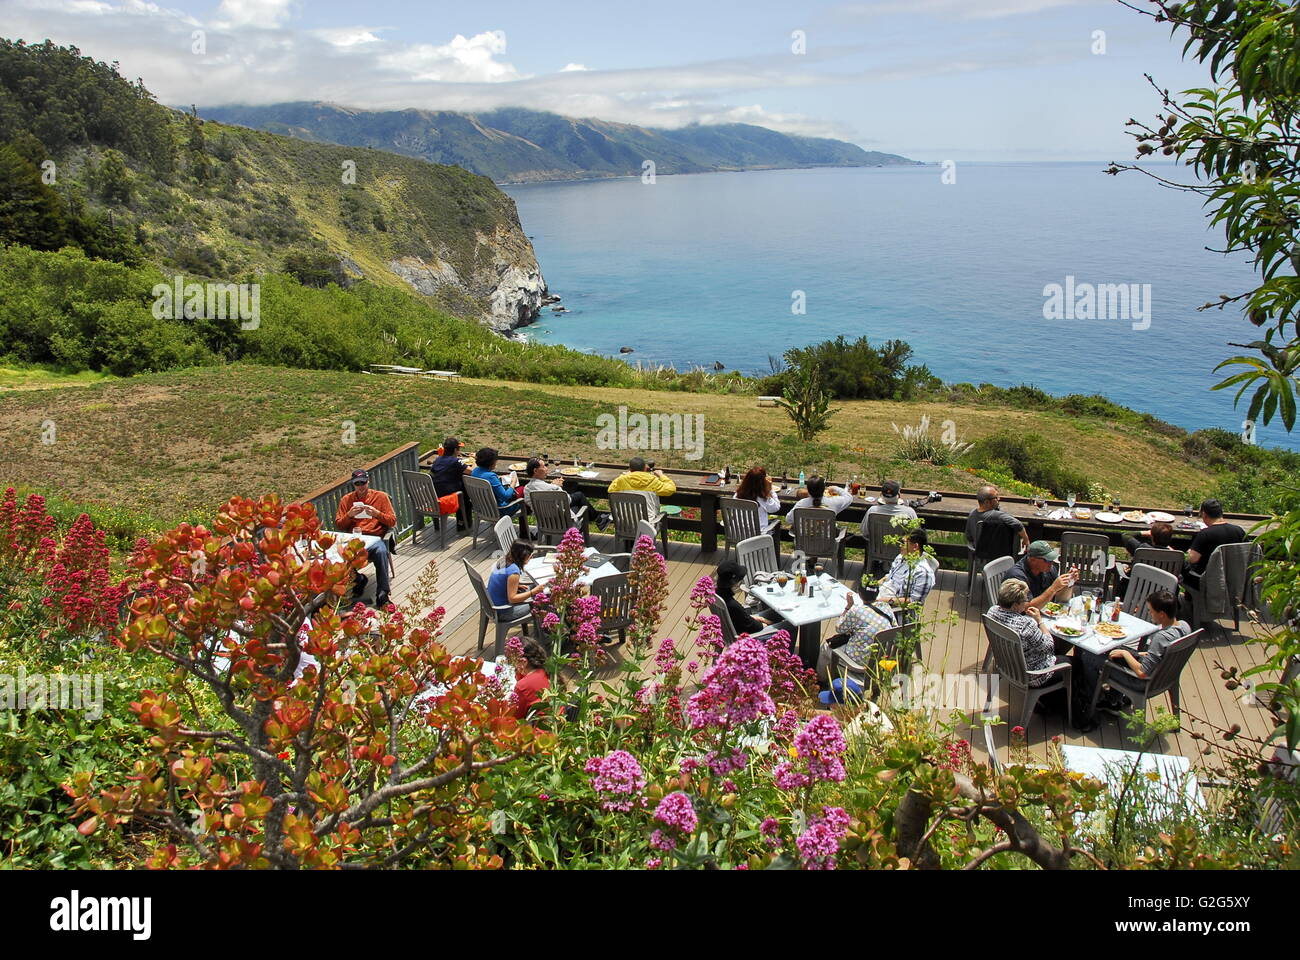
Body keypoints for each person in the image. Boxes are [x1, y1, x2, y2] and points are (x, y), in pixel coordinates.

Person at [1073, 589, 1190, 731]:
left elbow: (1142, 673)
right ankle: (1113, 700)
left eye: (1151, 611)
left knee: (1088, 657)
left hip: (1142, 682)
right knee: (1116, 652)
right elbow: (1164, 654)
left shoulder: (1161, 637)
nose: (1150, 613)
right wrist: (1139, 653)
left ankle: (1092, 699)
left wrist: (1125, 653)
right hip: (1165, 676)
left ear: (1162, 614)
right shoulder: (1184, 626)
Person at [985, 578, 1070, 695]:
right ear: (1015, 605)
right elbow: (1050, 647)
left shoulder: (992, 611)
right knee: (1074, 663)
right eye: (1025, 599)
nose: (1027, 602)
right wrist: (1040, 621)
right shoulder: (1025, 625)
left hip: (1007, 666)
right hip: (1032, 676)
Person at [817, 591, 899, 705]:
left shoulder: (856, 611)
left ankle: (820, 683)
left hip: (858, 664)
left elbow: (839, 628)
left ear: (860, 595)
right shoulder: (886, 607)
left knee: (826, 647)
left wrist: (848, 606)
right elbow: (894, 627)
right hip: (881, 661)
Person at [334, 468, 397, 608]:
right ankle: (357, 579)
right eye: (357, 483)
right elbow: (339, 525)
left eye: (363, 482)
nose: (361, 486)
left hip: (374, 538)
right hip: (354, 540)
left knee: (381, 552)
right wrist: (349, 515)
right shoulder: (346, 500)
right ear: (353, 484)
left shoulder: (380, 497)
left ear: (368, 481)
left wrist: (377, 514)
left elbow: (392, 521)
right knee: (336, 555)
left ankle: (383, 595)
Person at [714, 559, 792, 640]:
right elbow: (755, 627)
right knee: (790, 625)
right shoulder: (733, 605)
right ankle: (785, 652)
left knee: (778, 612)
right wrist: (764, 624)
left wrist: (761, 619)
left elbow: (743, 617)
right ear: (733, 583)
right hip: (751, 637)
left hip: (739, 625)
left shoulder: (718, 594)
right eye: (740, 580)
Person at [1184, 498, 1246, 587]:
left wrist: (1189, 551)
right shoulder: (1239, 531)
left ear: (1204, 514)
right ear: (1221, 513)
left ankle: (1188, 599)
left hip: (1207, 581)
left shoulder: (1205, 534)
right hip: (1233, 581)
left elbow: (1192, 559)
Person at [1004, 540, 1078, 611]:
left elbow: (1061, 600)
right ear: (1032, 559)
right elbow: (1025, 609)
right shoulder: (1017, 576)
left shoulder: (1049, 569)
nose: (1051, 563)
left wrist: (1069, 582)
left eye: (1052, 559)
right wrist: (1053, 588)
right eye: (1047, 559)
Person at [876, 529, 936, 610]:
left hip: (894, 609)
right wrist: (873, 585)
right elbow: (890, 576)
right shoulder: (901, 557)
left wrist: (880, 600)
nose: (900, 545)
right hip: (880, 594)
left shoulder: (923, 573)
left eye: (903, 543)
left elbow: (914, 602)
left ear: (915, 546)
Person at [965, 484, 1030, 560]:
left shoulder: (972, 513)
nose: (999, 499)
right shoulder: (997, 515)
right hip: (998, 554)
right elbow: (1018, 524)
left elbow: (968, 536)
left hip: (979, 552)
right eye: (996, 497)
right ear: (987, 502)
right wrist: (1026, 540)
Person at [487, 540, 544, 618]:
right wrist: (533, 592)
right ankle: (541, 629)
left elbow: (502, 581)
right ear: (523, 556)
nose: (531, 557)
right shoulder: (513, 572)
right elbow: (512, 599)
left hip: (493, 603)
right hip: (503, 611)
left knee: (533, 585)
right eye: (530, 556)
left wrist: (517, 585)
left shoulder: (504, 560)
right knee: (542, 603)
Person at [735, 466, 784, 551]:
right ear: (762, 482)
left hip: (739, 533)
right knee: (776, 524)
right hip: (758, 535)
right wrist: (770, 490)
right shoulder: (763, 498)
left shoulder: (737, 495)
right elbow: (776, 507)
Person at [429, 436, 471, 528]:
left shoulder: (438, 459)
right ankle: (463, 524)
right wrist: (475, 461)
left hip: (434, 495)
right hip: (446, 497)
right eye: (459, 449)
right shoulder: (455, 461)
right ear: (455, 450)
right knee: (465, 491)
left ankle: (462, 523)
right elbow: (471, 471)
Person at [522, 457, 591, 513]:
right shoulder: (553, 488)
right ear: (535, 471)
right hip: (562, 523)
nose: (546, 469)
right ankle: (599, 520)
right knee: (579, 502)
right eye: (544, 467)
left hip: (543, 524)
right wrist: (557, 486)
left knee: (576, 502)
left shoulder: (527, 489)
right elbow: (568, 500)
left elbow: (542, 489)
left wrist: (552, 485)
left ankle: (599, 519)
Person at [472, 447, 522, 516]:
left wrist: (498, 478)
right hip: (499, 510)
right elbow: (505, 496)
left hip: (481, 509)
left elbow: (486, 479)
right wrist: (513, 482)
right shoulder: (491, 476)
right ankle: (523, 526)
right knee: (522, 493)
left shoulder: (475, 471)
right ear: (491, 462)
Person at [512, 638, 550, 720]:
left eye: (512, 661)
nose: (512, 665)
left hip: (539, 730)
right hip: (555, 722)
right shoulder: (546, 670)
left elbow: (515, 717)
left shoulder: (523, 686)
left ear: (524, 661)